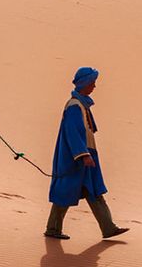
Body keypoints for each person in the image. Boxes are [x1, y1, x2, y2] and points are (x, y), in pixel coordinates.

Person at [44, 67, 129, 240]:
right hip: (76, 159)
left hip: (85, 156)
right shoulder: (75, 106)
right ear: (85, 83)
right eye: (92, 83)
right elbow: (72, 132)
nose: (94, 87)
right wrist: (83, 155)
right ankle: (52, 229)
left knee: (94, 191)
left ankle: (108, 228)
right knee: (65, 192)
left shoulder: (81, 104)